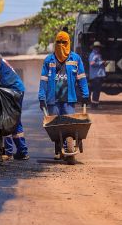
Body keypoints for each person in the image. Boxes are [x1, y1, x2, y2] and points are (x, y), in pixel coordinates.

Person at [39, 31, 90, 159]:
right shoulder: (49, 60)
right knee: (56, 127)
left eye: (64, 42)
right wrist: (41, 97)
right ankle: (58, 148)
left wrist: (85, 94)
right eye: (58, 42)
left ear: (69, 43)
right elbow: (43, 80)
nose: (61, 45)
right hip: (53, 100)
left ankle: (68, 146)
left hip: (69, 99)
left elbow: (82, 78)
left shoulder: (75, 59)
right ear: (55, 43)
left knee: (69, 127)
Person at [87, 41, 106, 108]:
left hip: (98, 75)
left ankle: (95, 105)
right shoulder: (94, 55)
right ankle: (94, 105)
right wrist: (101, 62)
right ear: (96, 48)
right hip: (96, 75)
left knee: (97, 90)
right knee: (96, 90)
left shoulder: (97, 54)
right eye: (98, 47)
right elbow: (92, 63)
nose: (99, 49)